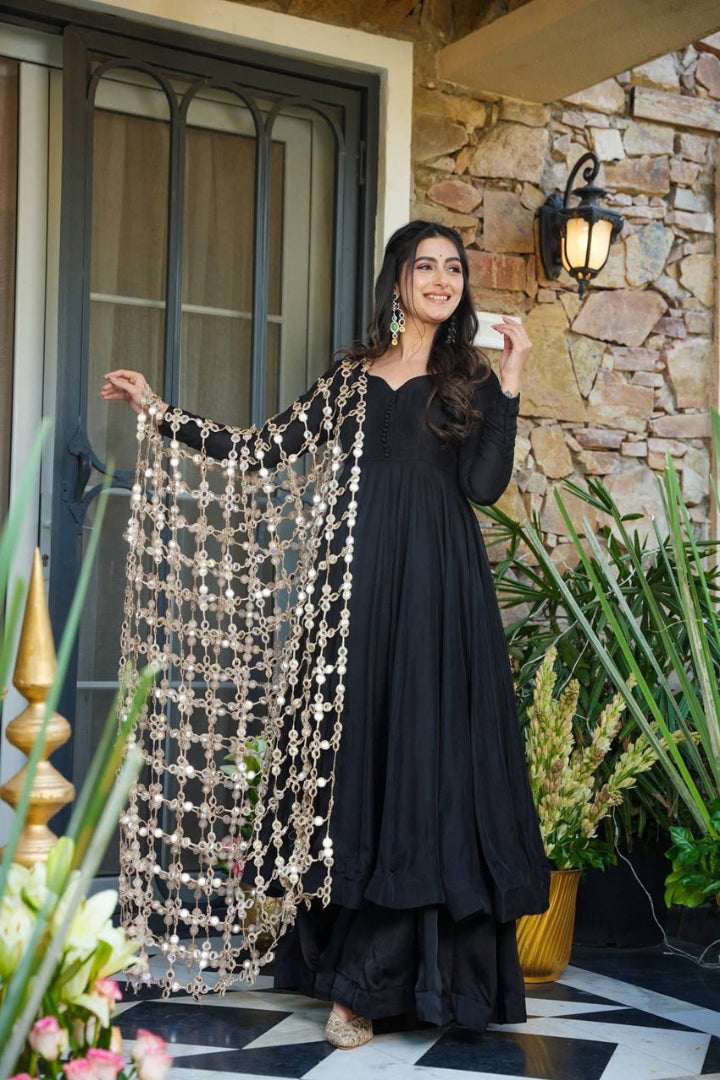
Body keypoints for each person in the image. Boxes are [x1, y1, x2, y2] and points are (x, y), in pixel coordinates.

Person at [102, 220, 549, 1050]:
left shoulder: (471, 378)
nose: (442, 280)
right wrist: (160, 413)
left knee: (423, 771)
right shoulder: (350, 380)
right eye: (427, 267)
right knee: (356, 772)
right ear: (399, 280)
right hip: (351, 601)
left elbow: (485, 487)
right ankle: (353, 977)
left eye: (454, 269)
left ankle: (384, 986)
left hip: (437, 599)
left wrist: (514, 378)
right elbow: (260, 450)